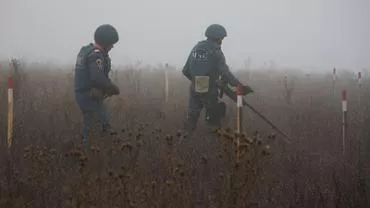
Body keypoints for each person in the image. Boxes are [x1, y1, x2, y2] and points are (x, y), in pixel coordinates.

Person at [182, 24, 252, 133]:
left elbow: (185, 70)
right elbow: (225, 73)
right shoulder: (216, 51)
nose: (222, 41)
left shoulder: (196, 48)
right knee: (214, 117)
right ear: (217, 38)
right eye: (222, 38)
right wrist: (239, 85)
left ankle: (183, 141)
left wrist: (197, 80)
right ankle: (213, 143)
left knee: (192, 116)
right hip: (209, 89)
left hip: (195, 86)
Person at [74, 24, 120, 147]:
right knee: (93, 130)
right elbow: (96, 77)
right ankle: (88, 156)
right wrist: (110, 87)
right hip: (88, 97)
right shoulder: (96, 55)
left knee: (103, 126)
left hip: (87, 96)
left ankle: (101, 153)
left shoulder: (87, 51)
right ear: (105, 42)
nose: (112, 46)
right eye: (111, 43)